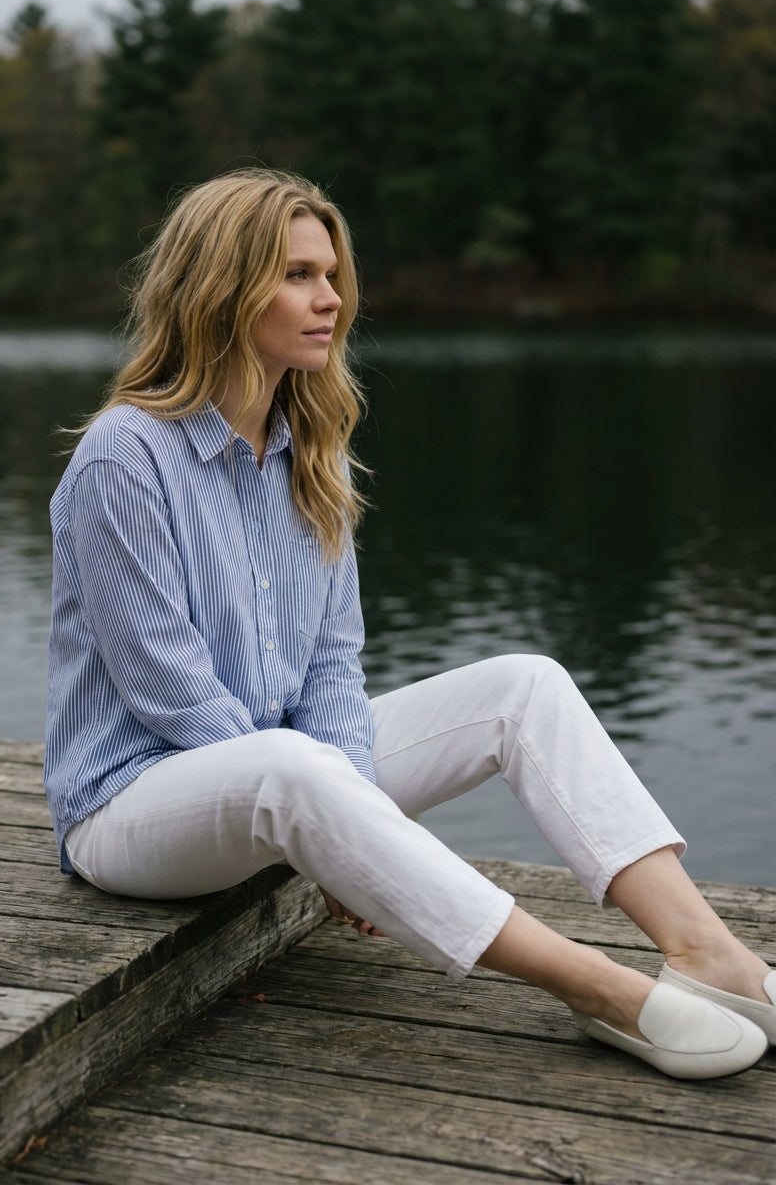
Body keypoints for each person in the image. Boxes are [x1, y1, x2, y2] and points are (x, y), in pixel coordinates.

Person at [44, 168, 773, 1080]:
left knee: (524, 685)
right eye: (301, 275)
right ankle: (594, 987)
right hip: (130, 807)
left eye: (334, 275)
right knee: (290, 761)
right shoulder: (126, 455)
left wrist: (350, 816)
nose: (334, 300)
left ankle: (710, 953)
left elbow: (331, 670)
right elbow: (169, 689)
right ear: (222, 290)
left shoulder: (311, 453)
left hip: (286, 773)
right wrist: (341, 837)